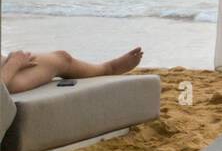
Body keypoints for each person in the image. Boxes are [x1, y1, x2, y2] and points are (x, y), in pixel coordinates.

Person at [1, 46, 143, 95]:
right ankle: (107, 69)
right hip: (6, 81)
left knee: (61, 58)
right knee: (62, 59)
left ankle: (107, 68)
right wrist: (14, 63)